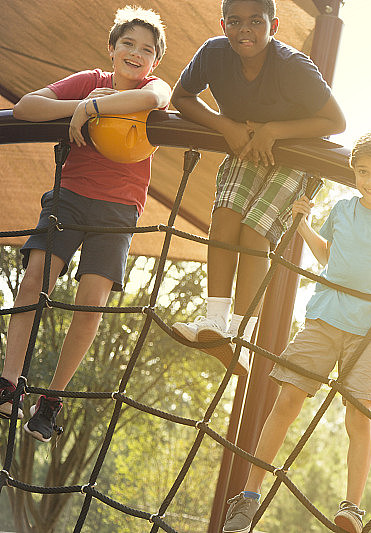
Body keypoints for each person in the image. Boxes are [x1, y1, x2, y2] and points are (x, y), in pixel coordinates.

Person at [221, 131, 371, 533]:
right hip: (325, 318)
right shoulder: (342, 210)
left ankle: (352, 507)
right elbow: (326, 256)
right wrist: (301, 224)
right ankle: (249, 495)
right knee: (287, 399)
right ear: (353, 172)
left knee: (359, 414)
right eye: (363, 171)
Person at [0, 6, 170, 442]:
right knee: (35, 278)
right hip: (70, 196)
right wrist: (80, 105)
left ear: (155, 61)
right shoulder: (89, 80)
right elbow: (26, 107)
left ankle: (51, 401)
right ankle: (9, 383)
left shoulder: (151, 86)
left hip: (119, 208)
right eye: (128, 44)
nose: (136, 53)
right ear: (111, 48)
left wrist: (95, 107)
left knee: (91, 300)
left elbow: (154, 100)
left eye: (147, 50)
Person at [169, 0, 346, 374]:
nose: (244, 29)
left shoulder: (292, 66)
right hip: (247, 147)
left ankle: (240, 337)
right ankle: (214, 321)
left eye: (255, 21)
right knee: (225, 216)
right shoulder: (214, 54)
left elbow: (336, 121)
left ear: (273, 25)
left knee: (254, 231)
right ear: (223, 25)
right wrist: (225, 126)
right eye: (234, 21)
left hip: (296, 155)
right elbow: (180, 98)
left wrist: (275, 130)